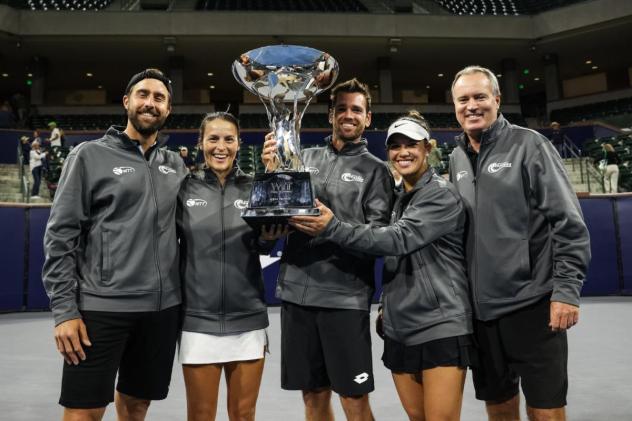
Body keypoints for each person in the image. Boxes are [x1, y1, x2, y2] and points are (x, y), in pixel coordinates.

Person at [290, 111, 475, 421]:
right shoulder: (398, 198)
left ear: (427, 148)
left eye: (411, 145)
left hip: (440, 325)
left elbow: (396, 241)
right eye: (395, 146)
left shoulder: (440, 196)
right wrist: (386, 306)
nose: (403, 152)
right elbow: (394, 262)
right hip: (400, 327)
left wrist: (332, 227)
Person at [42, 68, 187, 421]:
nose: (150, 103)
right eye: (143, 95)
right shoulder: (88, 156)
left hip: (161, 310)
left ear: (168, 110)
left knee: (137, 406)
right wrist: (65, 311)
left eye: (159, 98)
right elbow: (60, 236)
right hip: (101, 308)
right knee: (83, 412)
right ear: (127, 102)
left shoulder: (176, 165)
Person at [448, 65, 591, 421]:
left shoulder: (530, 145)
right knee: (499, 407)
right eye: (463, 99)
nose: (472, 106)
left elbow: (569, 223)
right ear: (454, 106)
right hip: (481, 313)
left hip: (533, 305)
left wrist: (566, 291)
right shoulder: (456, 158)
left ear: (497, 100)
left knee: (546, 410)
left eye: (480, 97)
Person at [262, 78, 394, 421]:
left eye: (356, 110)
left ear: (368, 118)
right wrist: (272, 173)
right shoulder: (302, 157)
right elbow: (275, 215)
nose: (348, 115)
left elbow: (379, 237)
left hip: (344, 300)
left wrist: (332, 228)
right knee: (313, 396)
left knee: (353, 400)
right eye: (341, 109)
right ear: (330, 115)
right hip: (296, 294)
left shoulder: (377, 172)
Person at [177, 112, 287, 421]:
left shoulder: (257, 187)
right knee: (200, 415)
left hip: (248, 319)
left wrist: (268, 238)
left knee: (243, 414)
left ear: (239, 144)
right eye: (213, 139)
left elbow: (264, 241)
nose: (221, 146)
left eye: (229, 139)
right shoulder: (184, 188)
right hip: (198, 322)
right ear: (201, 144)